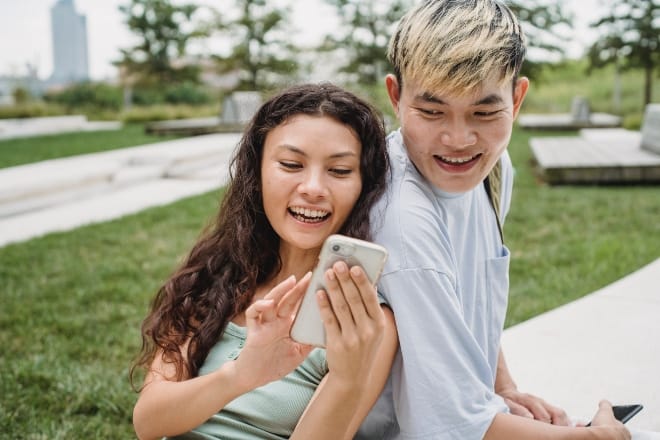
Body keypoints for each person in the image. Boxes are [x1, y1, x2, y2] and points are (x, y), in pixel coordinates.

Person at [357, 1, 632, 439]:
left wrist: (502, 385)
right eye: (432, 111)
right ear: (395, 96)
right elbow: (449, 427)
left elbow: (468, 295)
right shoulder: (403, 220)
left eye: (484, 113)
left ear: (517, 99)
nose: (459, 140)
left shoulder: (495, 171)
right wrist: (596, 437)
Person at [130, 82, 398, 440]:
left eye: (339, 171)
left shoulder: (365, 320)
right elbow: (149, 423)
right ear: (256, 173)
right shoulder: (216, 274)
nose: (314, 188)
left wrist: (349, 380)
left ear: (364, 187)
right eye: (291, 164)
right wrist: (242, 375)